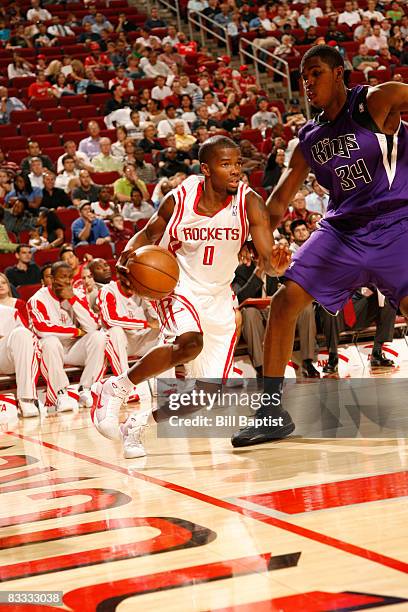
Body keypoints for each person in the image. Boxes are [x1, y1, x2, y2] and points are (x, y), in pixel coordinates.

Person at [231, 44, 408, 447]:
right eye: (303, 76)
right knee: (283, 302)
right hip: (342, 232)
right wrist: (254, 238)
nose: (308, 82)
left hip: (396, 224)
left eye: (316, 73)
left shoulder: (376, 101)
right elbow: (278, 200)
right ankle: (272, 413)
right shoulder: (310, 137)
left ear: (339, 73)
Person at [91, 135, 289, 458]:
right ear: (206, 169)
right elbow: (150, 233)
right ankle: (117, 387)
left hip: (219, 296)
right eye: (226, 164)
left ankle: (139, 423)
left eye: (238, 163)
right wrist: (126, 255)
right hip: (178, 286)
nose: (235, 170)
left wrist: (275, 264)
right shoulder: (179, 198)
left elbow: (267, 256)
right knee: (189, 343)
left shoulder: (248, 201)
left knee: (205, 396)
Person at [28, 261, 107, 411]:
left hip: (72, 349)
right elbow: (42, 330)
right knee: (50, 341)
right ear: (51, 278)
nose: (67, 280)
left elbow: (91, 326)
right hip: (49, 352)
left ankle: (86, 389)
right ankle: (61, 394)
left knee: (99, 337)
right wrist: (76, 331)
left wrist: (72, 300)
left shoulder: (77, 295)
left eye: (69, 277)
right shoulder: (37, 299)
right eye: (62, 277)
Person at [320, 289, 397, 374]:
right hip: (337, 309)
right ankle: (333, 357)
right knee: (329, 307)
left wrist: (368, 288)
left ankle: (377, 353)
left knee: (388, 294)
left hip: (358, 307)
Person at [0, 304, 42, 418]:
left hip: (3, 357)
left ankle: (26, 398)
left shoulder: (9, 312)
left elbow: (29, 340)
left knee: (22, 333)